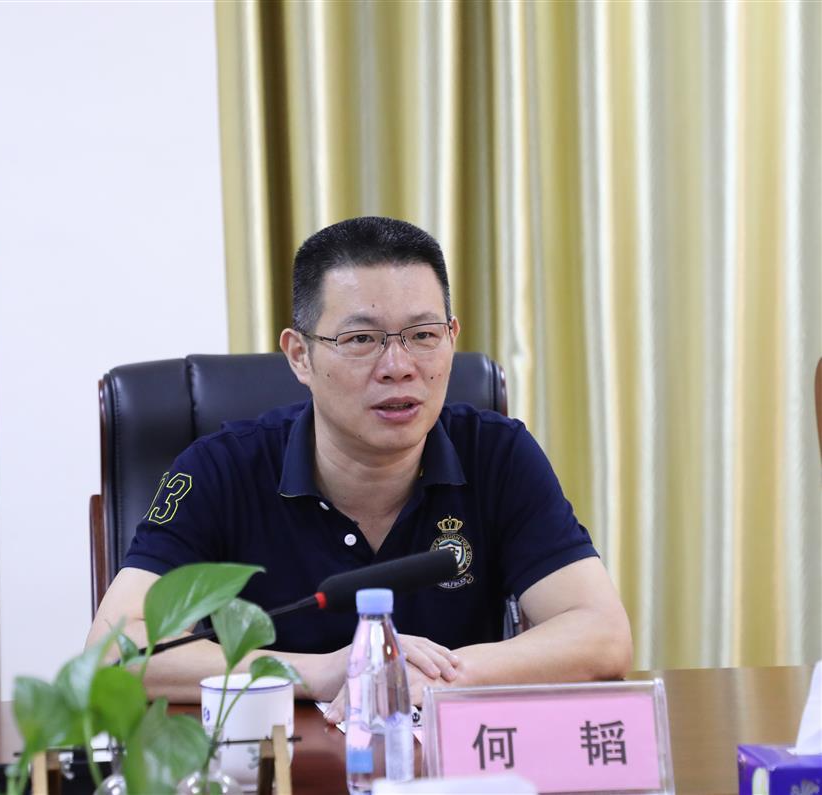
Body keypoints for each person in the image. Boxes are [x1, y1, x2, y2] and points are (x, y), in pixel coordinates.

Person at [86, 216, 632, 721]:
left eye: (423, 335)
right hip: (280, 766)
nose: (398, 366)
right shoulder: (221, 469)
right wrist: (323, 673)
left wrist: (428, 676)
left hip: (450, 767)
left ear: (451, 337)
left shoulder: (497, 454)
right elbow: (111, 652)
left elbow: (602, 634)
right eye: (361, 339)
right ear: (300, 356)